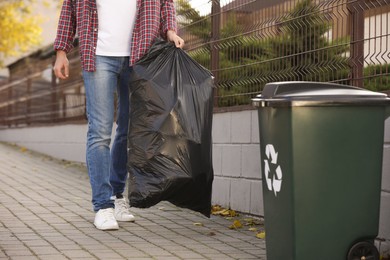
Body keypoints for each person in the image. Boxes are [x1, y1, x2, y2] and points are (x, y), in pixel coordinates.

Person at [53, 0, 184, 231]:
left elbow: (166, 4)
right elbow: (69, 9)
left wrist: (170, 30)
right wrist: (61, 51)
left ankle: (116, 195)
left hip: (140, 56)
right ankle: (102, 206)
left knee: (128, 131)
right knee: (100, 132)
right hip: (98, 55)